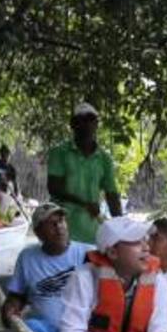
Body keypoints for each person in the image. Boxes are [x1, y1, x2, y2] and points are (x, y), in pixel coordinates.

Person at [58, 215, 167, 332]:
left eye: (145, 239)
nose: (146, 247)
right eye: (136, 241)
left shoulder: (157, 280)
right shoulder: (84, 278)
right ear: (112, 252)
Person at [1, 204, 93, 332]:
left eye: (61, 221)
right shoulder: (27, 257)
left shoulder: (89, 253)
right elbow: (17, 296)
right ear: (38, 232)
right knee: (30, 327)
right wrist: (10, 308)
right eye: (52, 224)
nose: (59, 227)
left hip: (86, 331)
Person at [46, 102, 121, 245]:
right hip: (61, 232)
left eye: (90, 119)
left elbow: (112, 195)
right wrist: (84, 203)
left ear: (96, 124)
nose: (86, 124)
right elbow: (54, 188)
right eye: (81, 119)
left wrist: (121, 225)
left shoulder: (104, 159)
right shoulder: (59, 153)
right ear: (73, 125)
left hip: (91, 234)